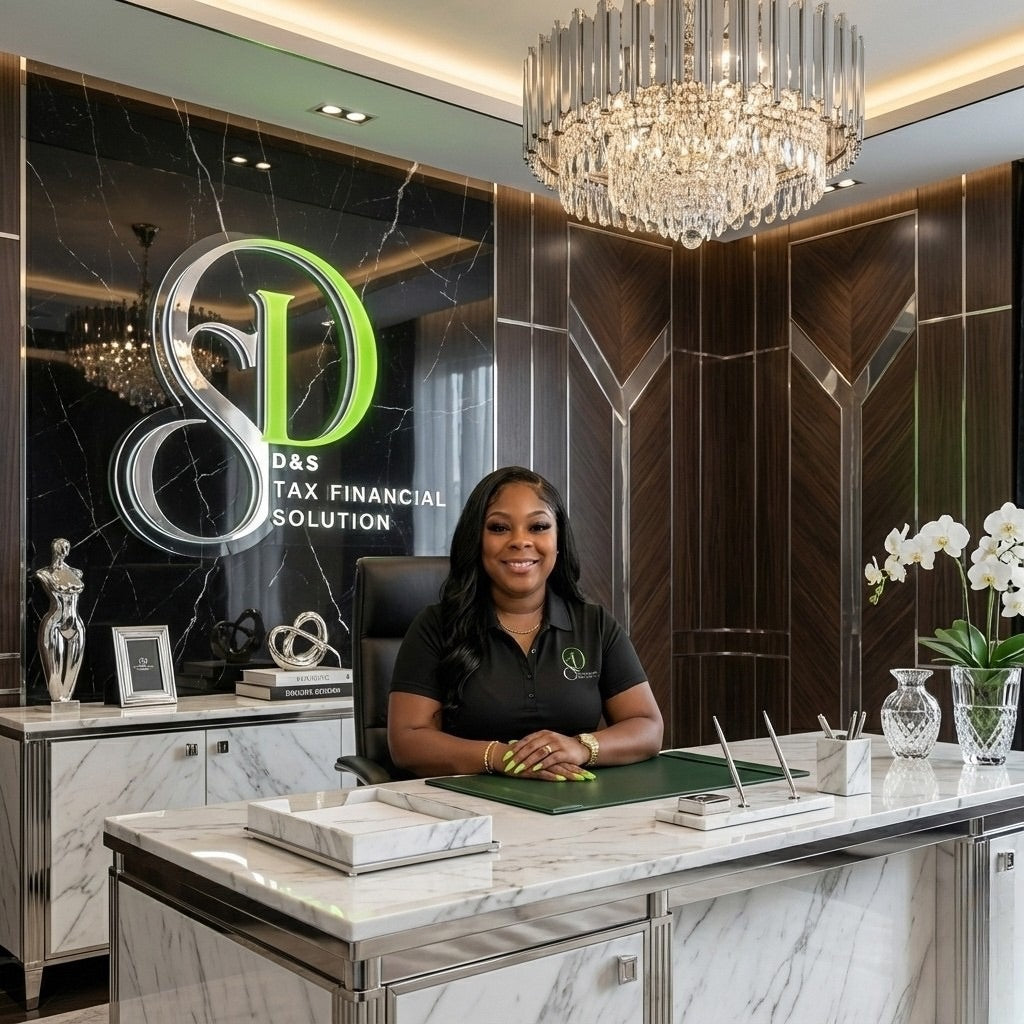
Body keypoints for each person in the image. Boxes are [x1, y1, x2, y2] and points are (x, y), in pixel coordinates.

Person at [388, 466, 663, 780]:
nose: (520, 541)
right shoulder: (435, 626)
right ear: (476, 541)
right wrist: (503, 757)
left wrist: (580, 747)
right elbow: (407, 741)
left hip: (573, 810)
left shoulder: (595, 624)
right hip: (468, 814)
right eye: (499, 527)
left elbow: (648, 726)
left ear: (558, 541)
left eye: (538, 526)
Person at [35, 537, 86, 702]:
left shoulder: (76, 572)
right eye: (61, 547)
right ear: (54, 549)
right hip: (55, 621)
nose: (65, 551)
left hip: (76, 623)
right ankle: (58, 700)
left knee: (73, 669)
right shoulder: (44, 573)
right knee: (55, 671)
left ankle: (67, 701)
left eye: (67, 547)